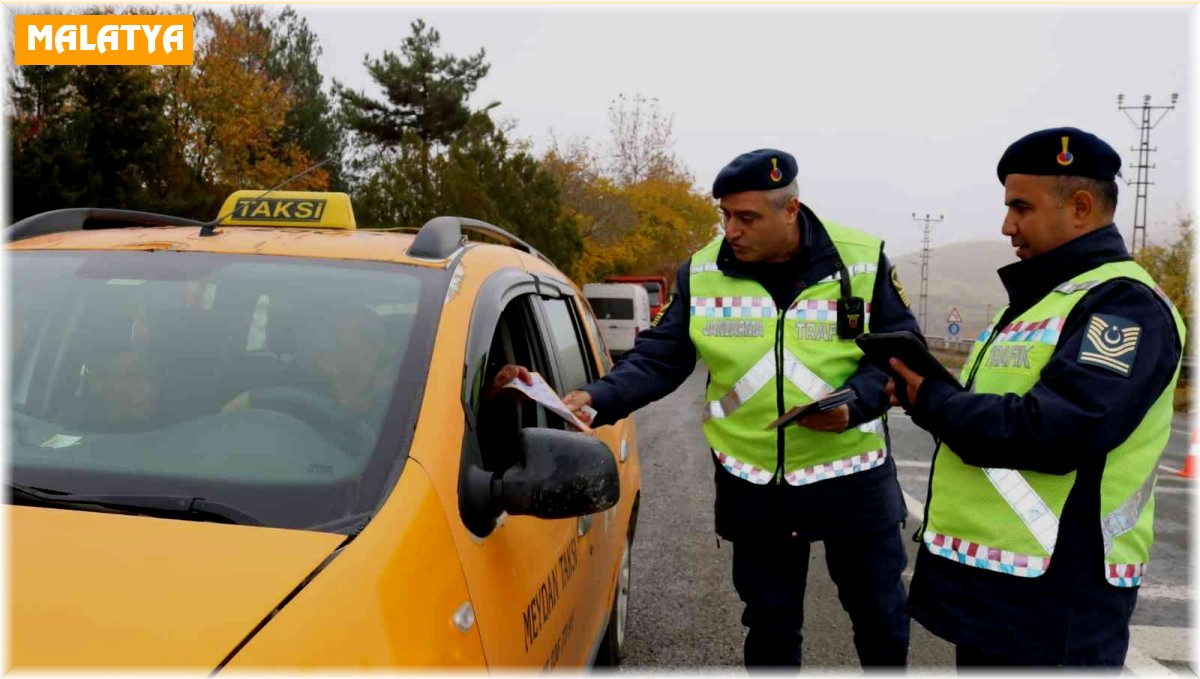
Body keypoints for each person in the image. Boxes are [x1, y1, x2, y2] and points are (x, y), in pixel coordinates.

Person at [553, 149, 923, 669]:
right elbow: (661, 356)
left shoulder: (861, 258)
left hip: (852, 478)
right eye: (725, 215)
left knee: (880, 620)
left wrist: (855, 404)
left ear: (791, 209)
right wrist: (598, 398)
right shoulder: (702, 272)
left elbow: (899, 350)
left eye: (747, 217)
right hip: (755, 484)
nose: (732, 229)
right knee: (770, 629)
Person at [883, 127, 1185, 668]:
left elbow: (1061, 428)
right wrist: (924, 394)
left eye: (1020, 207)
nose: (1007, 226)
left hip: (1058, 596)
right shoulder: (1032, 305)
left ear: (1082, 207)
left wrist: (934, 401)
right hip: (1001, 590)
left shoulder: (1122, 306)